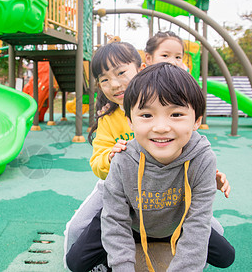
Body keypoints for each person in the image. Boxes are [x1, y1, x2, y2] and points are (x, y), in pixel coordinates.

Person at [64, 37, 234, 271]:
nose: (114, 84)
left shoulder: (191, 140)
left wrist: (206, 174)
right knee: (78, 235)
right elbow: (100, 164)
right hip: (122, 186)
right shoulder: (110, 122)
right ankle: (107, 259)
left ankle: (166, 242)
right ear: (130, 120)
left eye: (121, 73)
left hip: (171, 194)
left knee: (218, 243)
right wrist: (112, 159)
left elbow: (193, 154)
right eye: (104, 80)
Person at [102, 62, 221, 271]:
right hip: (134, 225)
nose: (161, 128)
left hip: (173, 224)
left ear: (196, 121)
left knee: (224, 256)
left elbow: (197, 225)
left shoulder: (203, 159)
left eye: (176, 114)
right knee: (78, 260)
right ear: (130, 121)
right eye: (147, 115)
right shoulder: (122, 159)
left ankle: (165, 243)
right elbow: (115, 220)